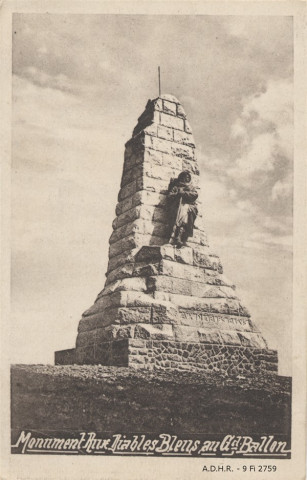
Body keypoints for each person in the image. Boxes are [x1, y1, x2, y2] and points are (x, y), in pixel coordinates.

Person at [167, 170, 198, 247]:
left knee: (187, 214)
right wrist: (177, 194)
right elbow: (169, 196)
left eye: (188, 177)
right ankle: (177, 236)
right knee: (183, 213)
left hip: (189, 207)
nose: (187, 178)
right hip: (178, 207)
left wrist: (183, 193)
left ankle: (182, 236)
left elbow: (195, 195)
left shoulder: (191, 188)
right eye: (185, 177)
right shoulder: (176, 187)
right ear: (181, 177)